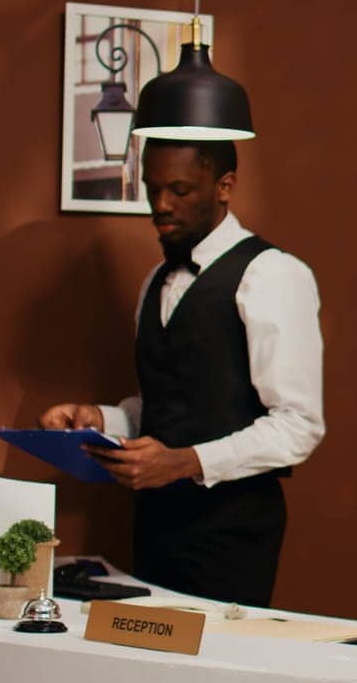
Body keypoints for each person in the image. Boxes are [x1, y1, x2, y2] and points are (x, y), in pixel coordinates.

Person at [41, 138, 325, 607]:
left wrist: (184, 462)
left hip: (231, 532)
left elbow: (299, 425)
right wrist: (101, 419)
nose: (161, 205)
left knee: (214, 676)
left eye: (179, 190)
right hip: (154, 524)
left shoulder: (273, 275)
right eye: (152, 190)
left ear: (225, 186)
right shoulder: (155, 280)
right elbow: (165, 405)